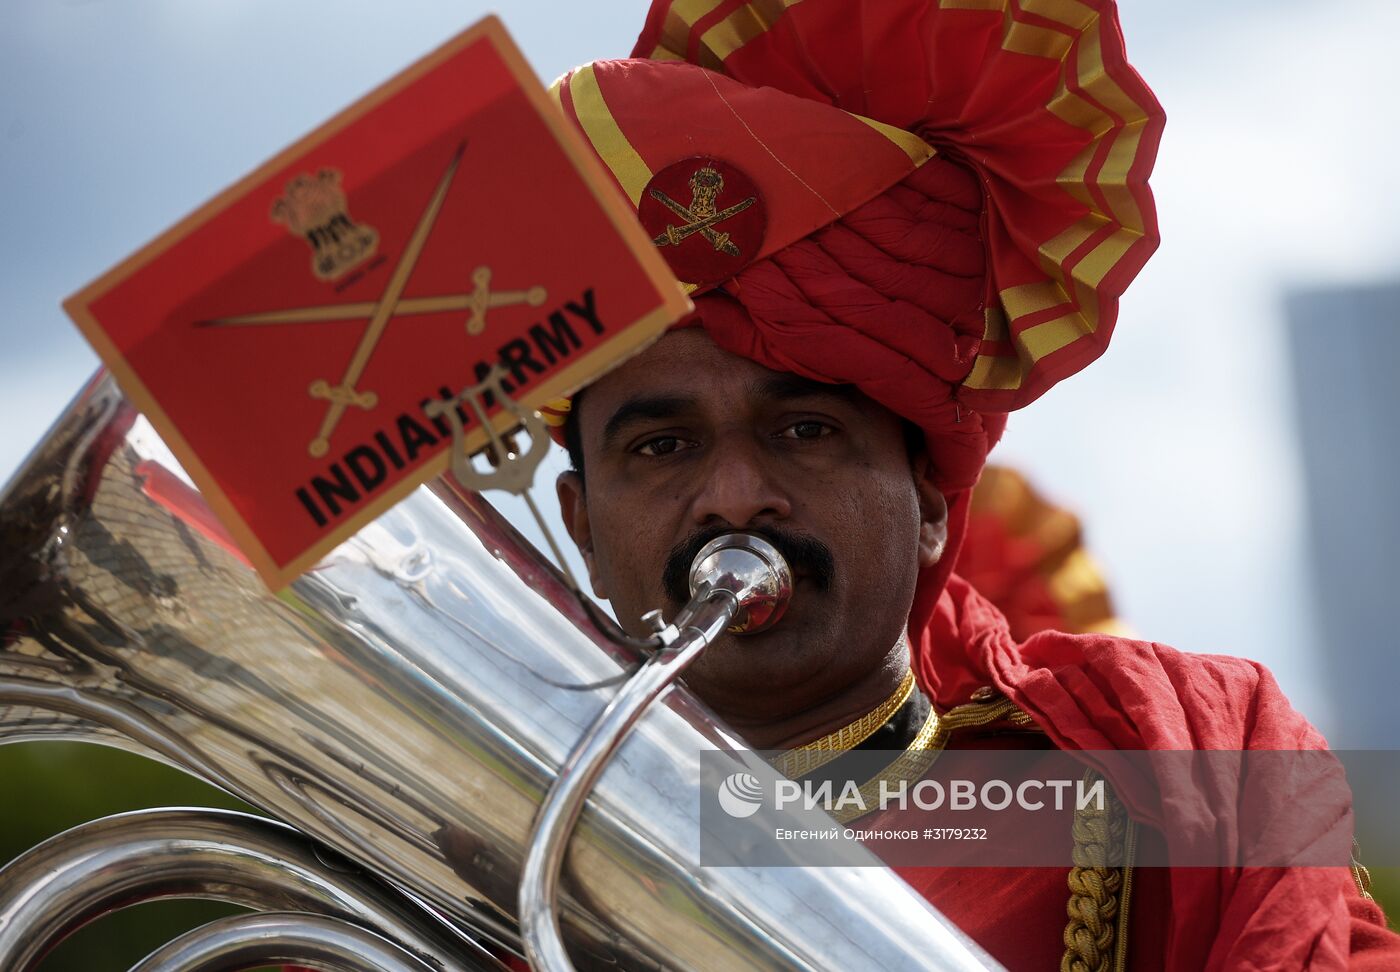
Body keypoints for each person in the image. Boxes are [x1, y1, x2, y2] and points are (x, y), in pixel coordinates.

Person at [540, 0, 1400, 967]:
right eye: (661, 449)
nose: (736, 497)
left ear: (933, 505)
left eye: (806, 430)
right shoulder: (472, 837)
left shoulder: (1169, 765)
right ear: (580, 523)